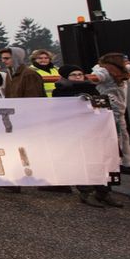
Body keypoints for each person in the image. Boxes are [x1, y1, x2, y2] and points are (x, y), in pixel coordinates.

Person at [52, 66, 118, 208]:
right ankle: (86, 192)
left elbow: (102, 108)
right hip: (75, 132)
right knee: (81, 161)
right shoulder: (59, 91)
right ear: (65, 77)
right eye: (73, 75)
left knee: (101, 160)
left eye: (80, 74)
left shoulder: (92, 88)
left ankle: (103, 192)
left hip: (94, 131)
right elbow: (60, 110)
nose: (77, 77)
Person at [92, 52, 130, 175]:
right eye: (125, 61)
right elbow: (96, 76)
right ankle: (116, 163)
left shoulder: (121, 74)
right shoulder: (104, 72)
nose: (128, 63)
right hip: (109, 110)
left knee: (123, 136)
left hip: (119, 110)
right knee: (114, 136)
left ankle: (127, 162)